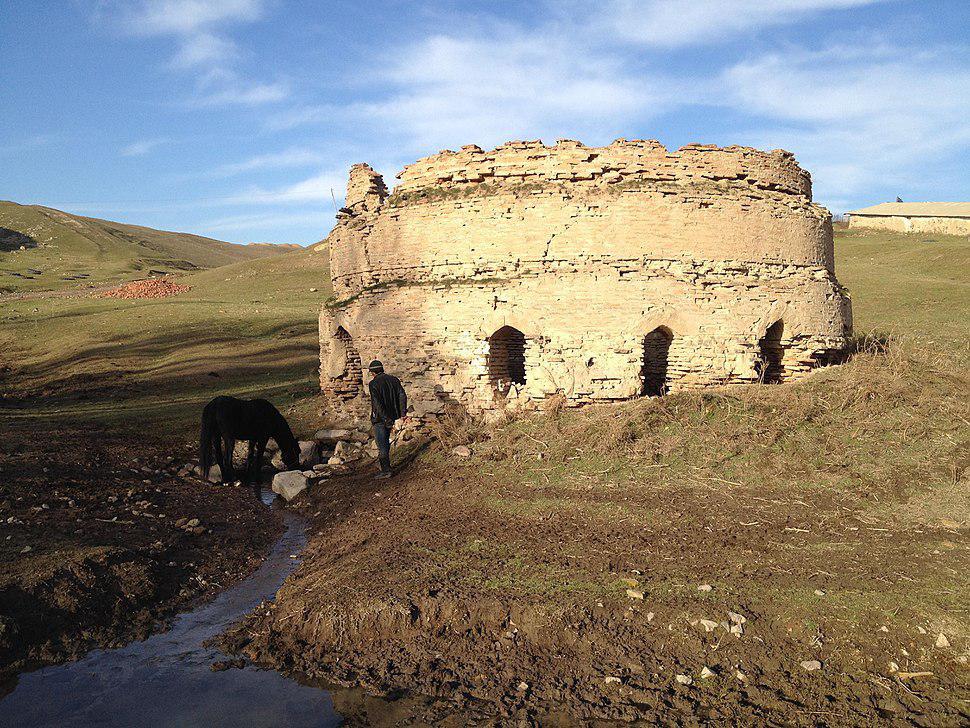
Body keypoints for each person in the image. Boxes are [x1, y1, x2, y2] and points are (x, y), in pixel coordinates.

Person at [367, 360, 408, 479]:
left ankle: (386, 470)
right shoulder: (394, 380)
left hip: (380, 419)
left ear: (372, 372)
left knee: (382, 445)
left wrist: (386, 420)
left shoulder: (373, 384)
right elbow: (402, 396)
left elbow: (377, 404)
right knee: (385, 443)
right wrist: (402, 413)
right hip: (393, 415)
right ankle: (387, 466)